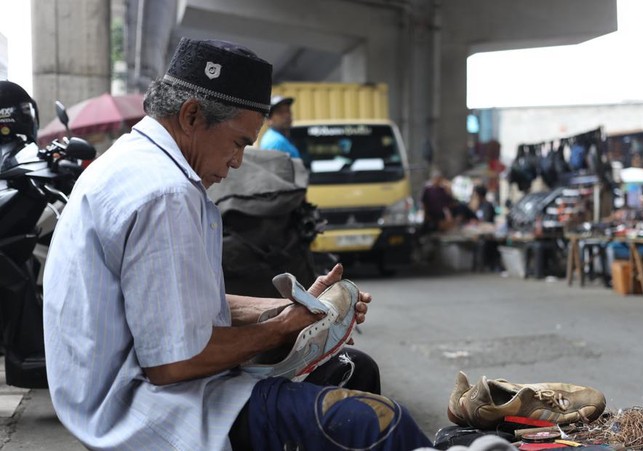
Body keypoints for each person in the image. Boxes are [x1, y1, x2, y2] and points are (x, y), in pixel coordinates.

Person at [42, 37, 432, 450]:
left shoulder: (138, 164)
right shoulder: (164, 194)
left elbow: (173, 304)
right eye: (239, 142)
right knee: (375, 423)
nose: (238, 161)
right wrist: (283, 329)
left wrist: (289, 307)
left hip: (133, 395)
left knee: (355, 370)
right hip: (149, 410)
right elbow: (174, 361)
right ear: (192, 115)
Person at [420, 168, 454, 233]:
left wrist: (449, 190)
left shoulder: (442, 190)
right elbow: (424, 202)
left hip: (440, 214)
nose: (438, 181)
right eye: (436, 179)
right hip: (430, 214)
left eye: (439, 179)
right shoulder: (428, 190)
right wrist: (425, 213)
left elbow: (448, 202)